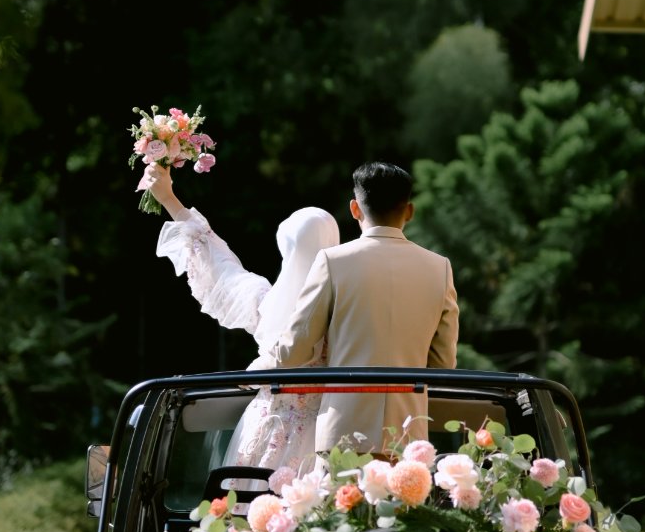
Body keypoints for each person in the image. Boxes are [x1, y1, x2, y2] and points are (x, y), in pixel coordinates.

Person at [139, 160, 339, 473]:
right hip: (332, 434)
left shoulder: (269, 305)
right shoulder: (348, 309)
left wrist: (168, 199)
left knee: (250, 500)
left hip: (269, 432)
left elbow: (221, 267)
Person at [271, 160, 459, 456]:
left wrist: (267, 359)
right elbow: (444, 365)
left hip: (344, 434)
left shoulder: (333, 262)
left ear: (354, 209)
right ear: (409, 211)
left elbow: (294, 351)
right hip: (408, 438)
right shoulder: (440, 268)